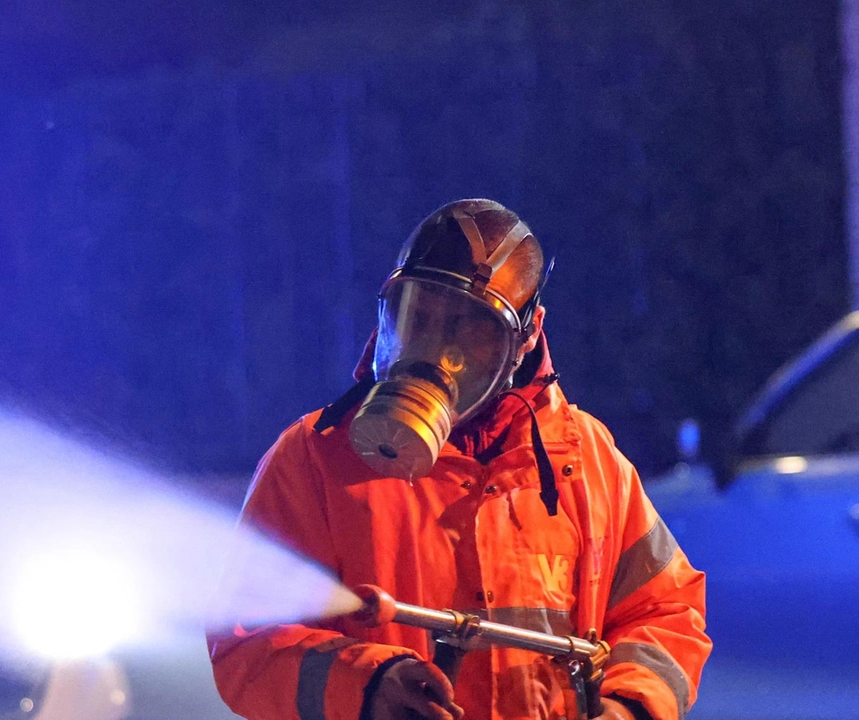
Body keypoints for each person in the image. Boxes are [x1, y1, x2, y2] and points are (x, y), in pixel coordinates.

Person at [208, 199, 710, 720]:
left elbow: (667, 611)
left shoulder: (586, 460)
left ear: (527, 334)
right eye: (416, 316)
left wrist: (629, 708)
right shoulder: (314, 458)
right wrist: (368, 686)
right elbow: (248, 639)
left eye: (468, 326)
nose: (432, 350)